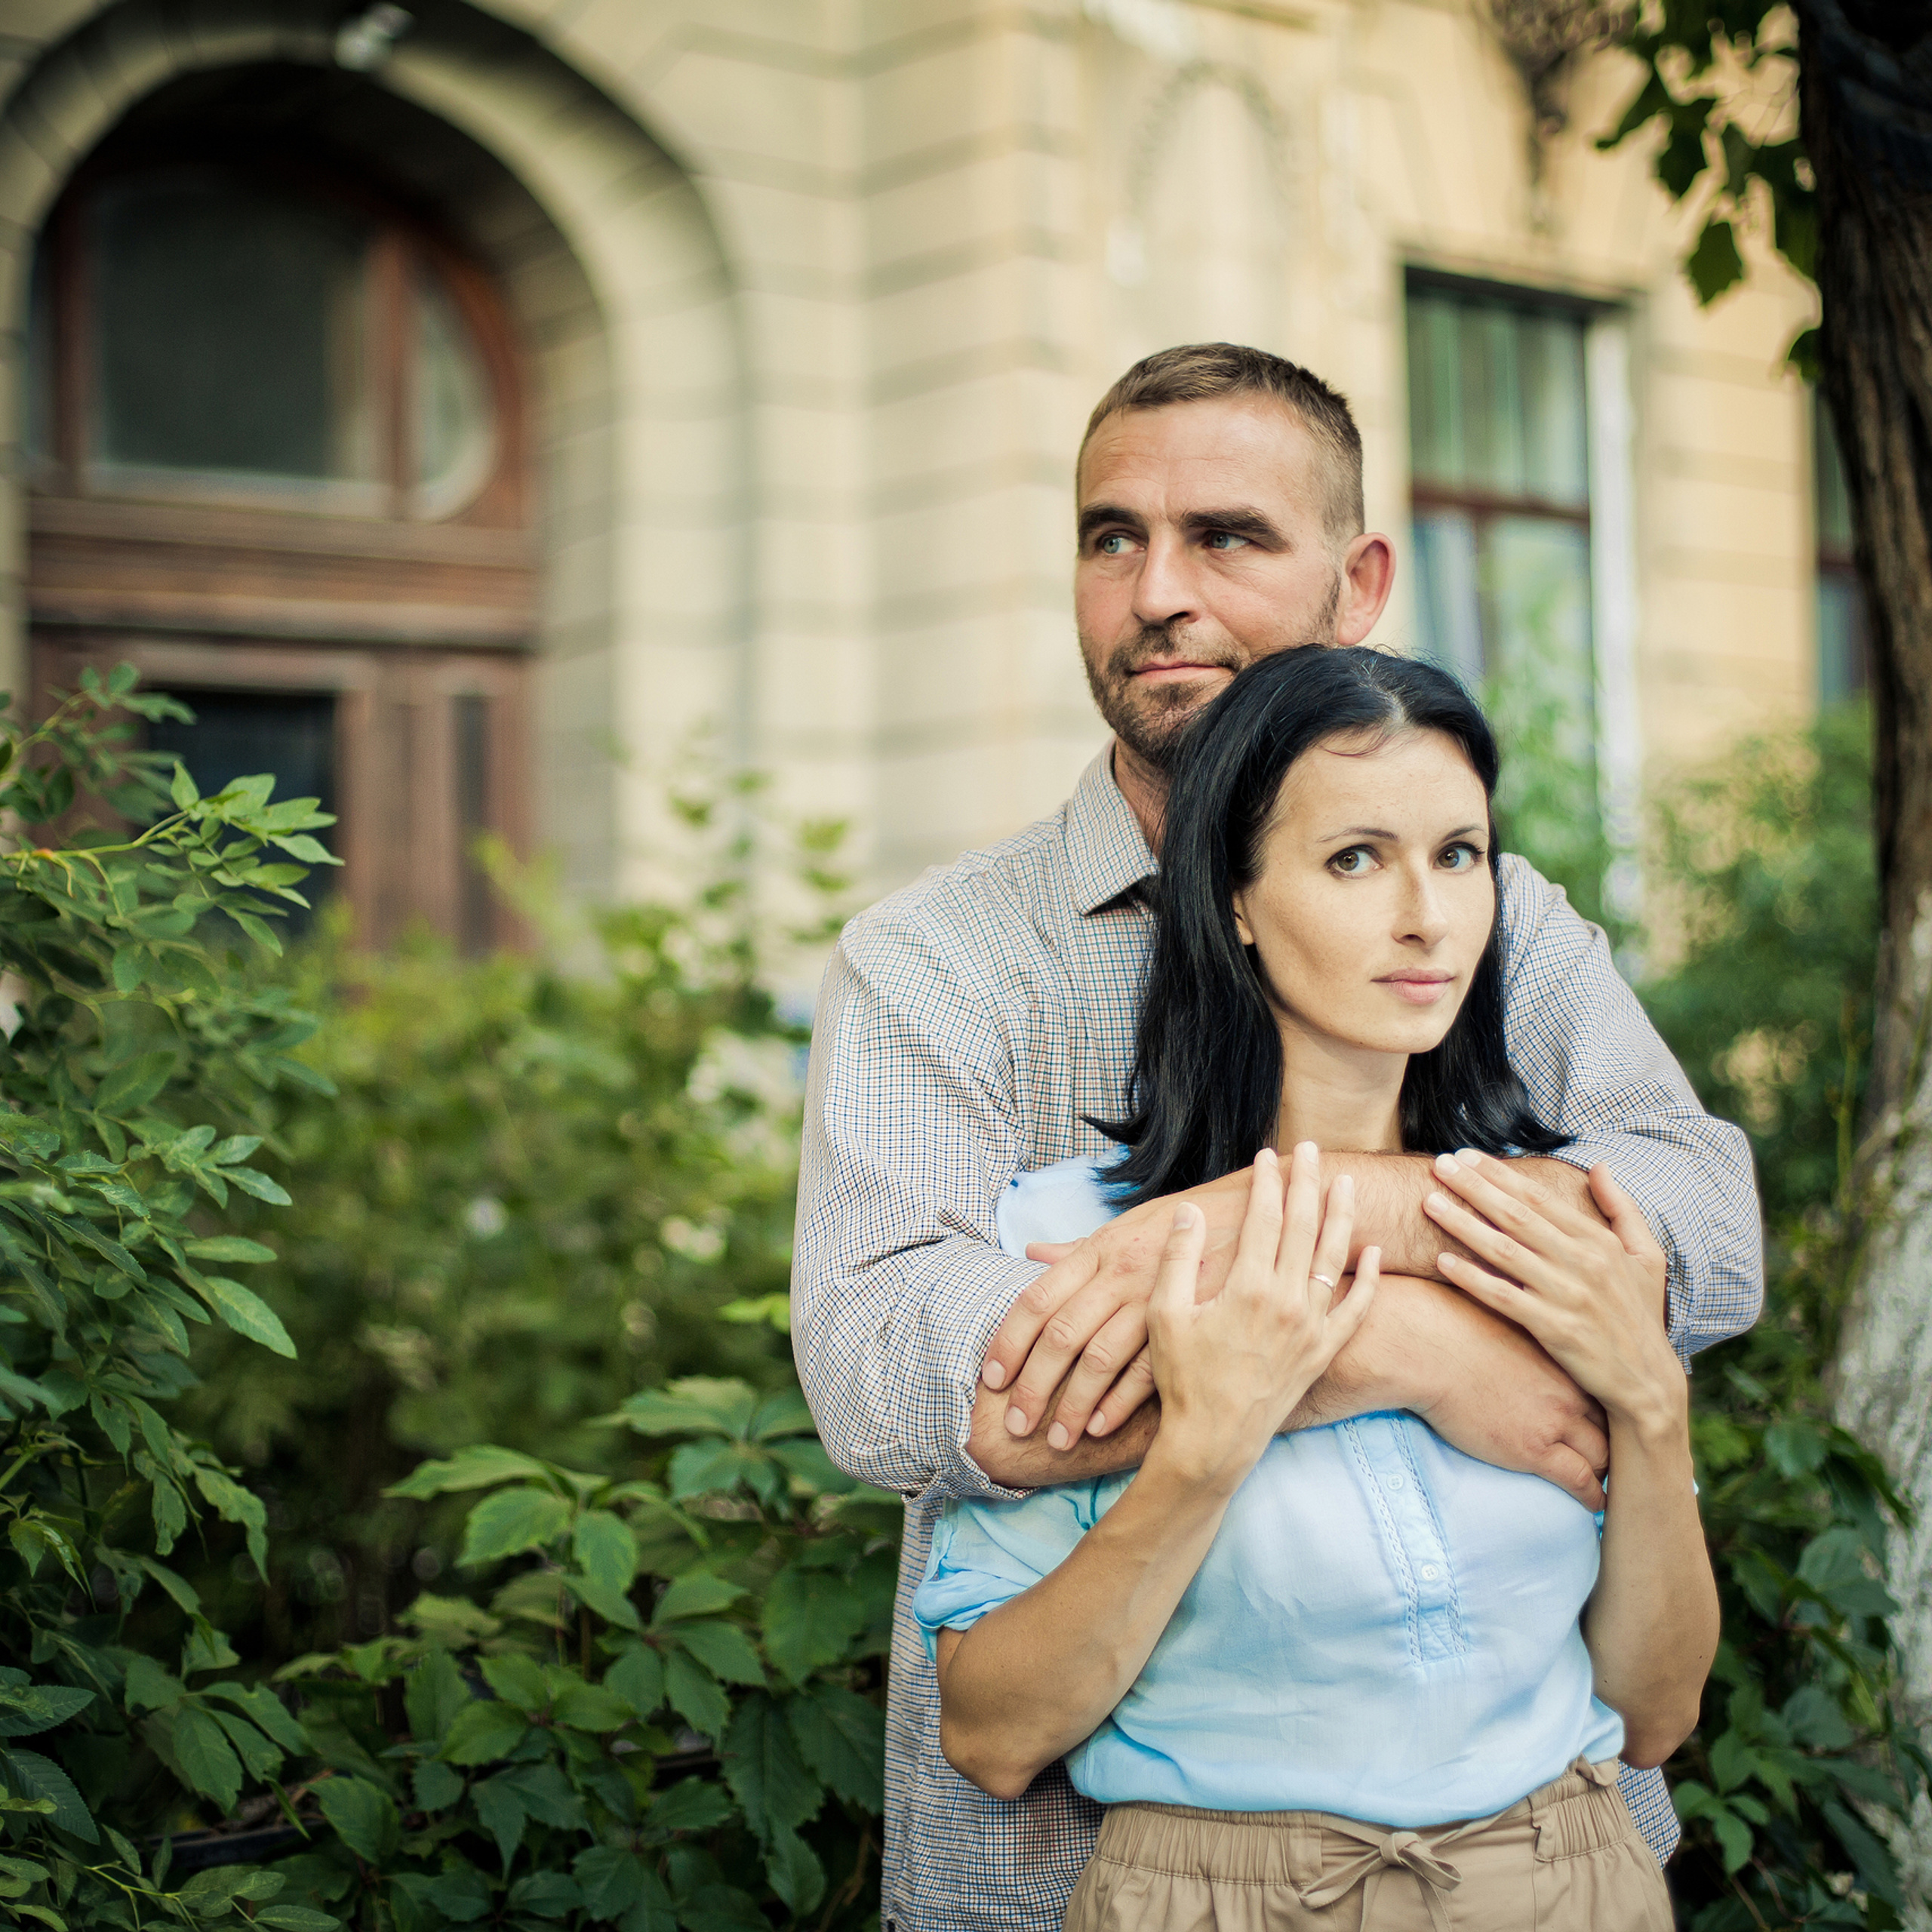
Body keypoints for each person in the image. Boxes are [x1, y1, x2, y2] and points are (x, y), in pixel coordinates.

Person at [792, 343, 1761, 1932]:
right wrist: (1418, 1350)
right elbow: (899, 1370)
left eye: (1223, 537)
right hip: (1090, 1864)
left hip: (1544, 1856)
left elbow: (1701, 1229)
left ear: (1355, 578)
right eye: (1111, 538)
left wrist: (1317, 1219)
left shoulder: (1488, 918)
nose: (1154, 591)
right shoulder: (942, 957)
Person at [918, 645, 1715, 1932]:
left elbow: (1658, 1712)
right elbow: (994, 1737)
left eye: (1460, 855)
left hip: (1573, 1886)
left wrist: (1651, 1406)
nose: (1428, 917)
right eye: (1357, 859)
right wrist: (1203, 1450)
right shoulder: (1083, 1248)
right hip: (1221, 1901)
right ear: (1233, 898)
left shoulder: (1555, 1226)